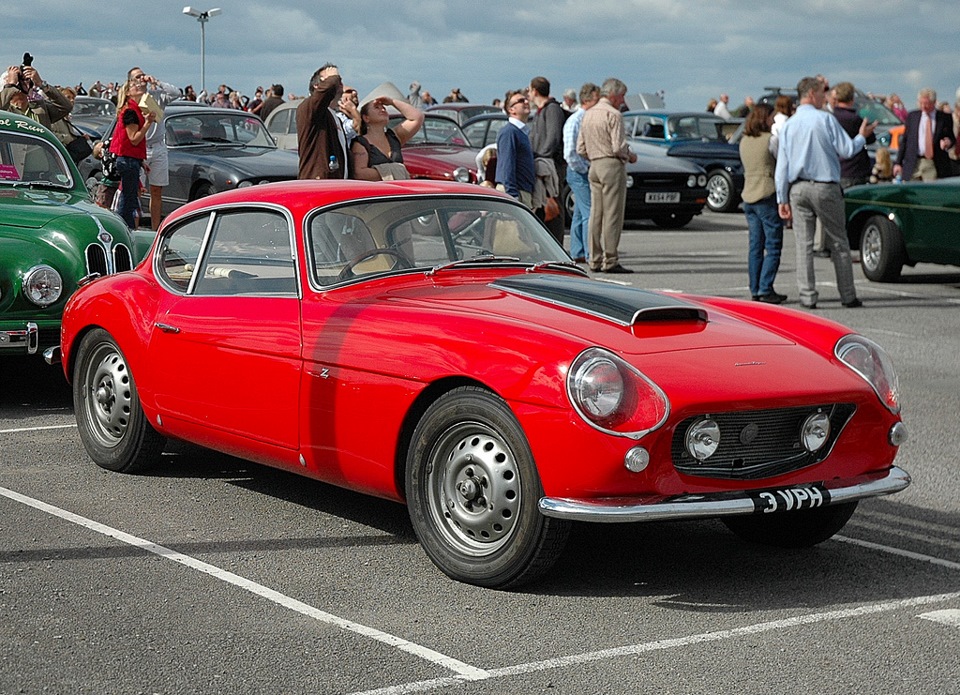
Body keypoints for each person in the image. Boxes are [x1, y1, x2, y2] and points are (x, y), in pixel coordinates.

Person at [775, 76, 874, 309]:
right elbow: (847, 149)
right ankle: (848, 295)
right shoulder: (825, 119)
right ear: (811, 94)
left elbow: (782, 166)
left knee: (804, 244)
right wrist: (862, 135)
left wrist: (781, 197)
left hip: (798, 187)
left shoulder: (789, 124)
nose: (825, 97)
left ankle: (807, 296)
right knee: (839, 241)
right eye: (822, 92)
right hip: (825, 185)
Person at [577, 77, 637, 274]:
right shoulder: (614, 114)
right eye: (621, 96)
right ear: (613, 94)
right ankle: (610, 259)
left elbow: (580, 148)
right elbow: (618, 146)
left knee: (596, 214)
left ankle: (594, 258)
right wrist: (629, 155)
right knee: (612, 214)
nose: (623, 100)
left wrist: (593, 156)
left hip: (593, 164)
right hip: (611, 164)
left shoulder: (588, 114)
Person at [739, 103, 785, 304]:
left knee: (755, 246)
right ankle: (766, 287)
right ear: (764, 118)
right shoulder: (771, 140)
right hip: (766, 193)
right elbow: (781, 164)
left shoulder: (744, 141)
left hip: (748, 194)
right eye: (771, 117)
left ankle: (755, 288)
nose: (774, 120)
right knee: (773, 245)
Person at [127, 67, 180, 230]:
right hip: (139, 147)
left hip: (157, 147)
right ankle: (134, 228)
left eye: (142, 76)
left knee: (157, 191)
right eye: (137, 77)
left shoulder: (156, 96)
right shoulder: (132, 98)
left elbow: (176, 93)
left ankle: (155, 229)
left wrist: (156, 82)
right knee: (136, 191)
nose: (141, 79)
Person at [109, 78, 156, 229]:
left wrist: (141, 161)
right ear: (128, 93)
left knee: (130, 198)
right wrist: (148, 123)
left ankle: (127, 227)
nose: (138, 87)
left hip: (131, 159)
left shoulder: (134, 109)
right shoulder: (130, 111)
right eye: (134, 86)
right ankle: (124, 228)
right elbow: (134, 139)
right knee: (128, 200)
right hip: (127, 160)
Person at [562, 82, 600, 263]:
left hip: (581, 170)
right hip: (578, 171)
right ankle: (589, 252)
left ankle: (578, 251)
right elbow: (570, 153)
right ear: (588, 100)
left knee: (579, 212)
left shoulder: (585, 118)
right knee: (589, 213)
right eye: (596, 98)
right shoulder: (576, 121)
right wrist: (585, 169)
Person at [528, 76, 568, 244]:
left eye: (529, 90)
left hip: (551, 166)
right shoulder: (541, 111)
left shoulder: (552, 109)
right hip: (541, 164)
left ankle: (557, 244)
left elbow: (552, 138)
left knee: (554, 206)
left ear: (535, 91)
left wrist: (541, 157)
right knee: (543, 206)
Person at [350, 96, 424, 181]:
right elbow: (359, 173)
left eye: (384, 108)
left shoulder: (394, 137)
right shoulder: (361, 143)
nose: (382, 110)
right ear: (366, 118)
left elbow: (417, 118)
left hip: (398, 191)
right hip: (378, 192)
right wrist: (395, 170)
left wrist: (392, 101)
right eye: (377, 108)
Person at [297, 65, 348, 179]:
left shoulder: (335, 116)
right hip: (317, 184)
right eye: (333, 79)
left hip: (337, 184)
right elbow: (325, 92)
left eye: (339, 80)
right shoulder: (308, 109)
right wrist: (333, 77)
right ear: (317, 86)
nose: (337, 82)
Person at [894, 88, 956, 182]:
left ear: (934, 102)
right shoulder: (912, 117)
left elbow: (951, 138)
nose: (923, 106)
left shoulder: (944, 118)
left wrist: (948, 142)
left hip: (933, 163)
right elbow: (905, 140)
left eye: (926, 103)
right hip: (913, 162)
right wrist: (898, 163)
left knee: (930, 192)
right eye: (921, 103)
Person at [494, 89, 535, 208]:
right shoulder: (509, 132)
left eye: (526, 99)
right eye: (521, 101)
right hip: (514, 193)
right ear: (511, 109)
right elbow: (507, 164)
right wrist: (512, 196)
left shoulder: (522, 132)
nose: (526, 102)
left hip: (522, 191)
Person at [1, 62, 72, 129]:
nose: (27, 84)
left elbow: (66, 107)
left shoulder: (40, 109)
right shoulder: (5, 111)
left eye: (28, 80)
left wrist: (42, 85)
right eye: (20, 81)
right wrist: (11, 85)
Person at [833, 82, 875, 189]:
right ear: (852, 99)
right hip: (855, 170)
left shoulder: (831, 118)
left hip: (836, 169)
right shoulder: (855, 119)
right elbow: (871, 139)